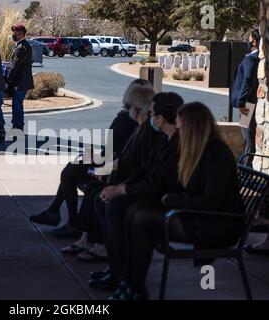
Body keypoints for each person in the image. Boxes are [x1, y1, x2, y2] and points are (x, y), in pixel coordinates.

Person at [111, 102, 244, 300]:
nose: (178, 132)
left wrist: (173, 199)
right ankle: (129, 282)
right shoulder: (198, 151)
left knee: (142, 218)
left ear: (192, 128)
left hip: (217, 223)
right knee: (134, 211)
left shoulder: (216, 154)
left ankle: (136, 288)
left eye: (181, 128)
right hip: (200, 215)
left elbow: (210, 201)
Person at [29, 79, 150, 239]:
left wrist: (93, 157)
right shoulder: (148, 123)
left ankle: (70, 221)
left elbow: (108, 155)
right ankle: (55, 211)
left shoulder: (123, 120)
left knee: (70, 172)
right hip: (118, 166)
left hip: (112, 170)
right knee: (74, 166)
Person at [89, 92, 183, 292]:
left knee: (121, 207)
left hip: (166, 200)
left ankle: (125, 278)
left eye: (152, 113)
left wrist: (124, 189)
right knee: (104, 199)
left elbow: (160, 182)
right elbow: (146, 169)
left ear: (159, 118)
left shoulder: (175, 142)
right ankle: (119, 271)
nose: (149, 117)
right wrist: (120, 187)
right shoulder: (166, 139)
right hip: (156, 192)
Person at [62, 84, 162, 263]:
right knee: (91, 185)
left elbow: (135, 163)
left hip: (137, 184)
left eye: (128, 107)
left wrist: (120, 185)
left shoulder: (142, 129)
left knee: (97, 193)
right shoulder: (141, 128)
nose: (126, 110)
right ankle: (89, 239)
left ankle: (105, 248)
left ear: (137, 108)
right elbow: (124, 158)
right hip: (123, 173)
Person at [231, 29, 260, 167]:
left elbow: (247, 81)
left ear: (254, 41)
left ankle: (245, 169)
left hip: (247, 104)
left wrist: (241, 102)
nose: (248, 41)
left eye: (249, 38)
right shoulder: (257, 58)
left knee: (247, 138)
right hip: (252, 102)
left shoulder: (251, 59)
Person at [6, 24, 34, 131]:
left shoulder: (21, 48)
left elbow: (14, 67)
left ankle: (17, 127)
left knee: (17, 106)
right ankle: (17, 126)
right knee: (18, 105)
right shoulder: (25, 45)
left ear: (20, 34)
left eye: (15, 33)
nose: (13, 35)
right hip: (23, 81)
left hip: (19, 82)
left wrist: (8, 79)